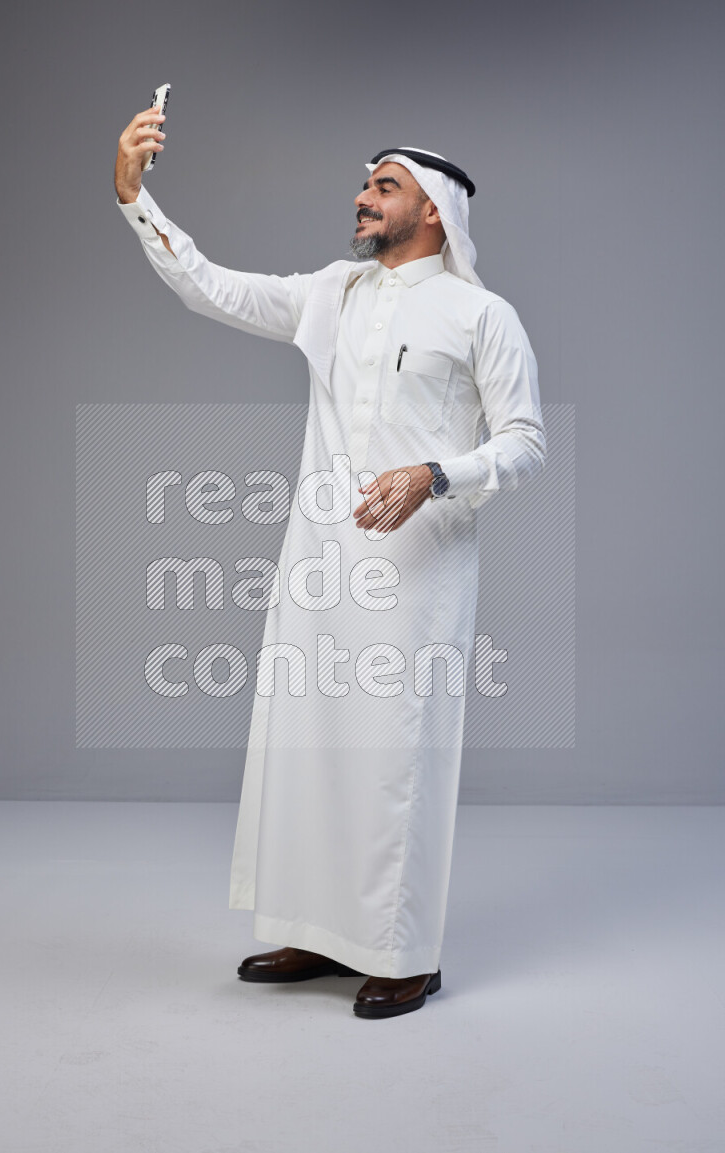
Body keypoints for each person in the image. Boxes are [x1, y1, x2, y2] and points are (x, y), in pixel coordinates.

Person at [114, 105, 547, 1019]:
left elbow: (525, 442)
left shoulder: (482, 315)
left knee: (397, 756)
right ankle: (317, 931)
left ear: (433, 211)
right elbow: (212, 287)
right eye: (364, 183)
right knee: (308, 747)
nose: (362, 197)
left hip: (418, 573)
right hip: (319, 561)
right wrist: (133, 197)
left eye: (384, 186)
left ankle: (406, 953)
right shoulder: (332, 293)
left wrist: (436, 474)